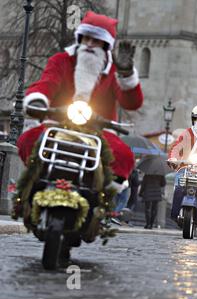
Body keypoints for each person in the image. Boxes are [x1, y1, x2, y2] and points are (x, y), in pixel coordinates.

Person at [16, 11, 144, 192]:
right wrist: (38, 101)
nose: (90, 44)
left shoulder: (113, 70)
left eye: (96, 40)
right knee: (29, 139)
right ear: (80, 38)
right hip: (58, 123)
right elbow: (47, 83)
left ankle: (103, 200)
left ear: (106, 44)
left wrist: (126, 74)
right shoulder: (61, 61)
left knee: (123, 155)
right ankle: (35, 183)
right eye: (87, 39)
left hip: (98, 130)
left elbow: (131, 103)